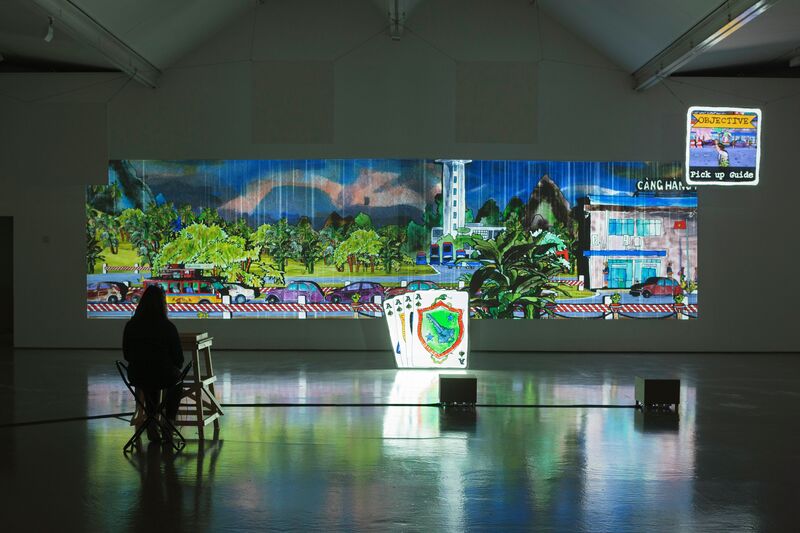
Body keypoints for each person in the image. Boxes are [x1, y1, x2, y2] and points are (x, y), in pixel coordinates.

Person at [123, 285, 184, 441]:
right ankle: (168, 422)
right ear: (163, 304)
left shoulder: (131, 325)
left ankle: (151, 422)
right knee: (175, 382)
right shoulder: (168, 327)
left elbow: (127, 355)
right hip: (163, 375)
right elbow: (179, 360)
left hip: (137, 375)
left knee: (149, 382)